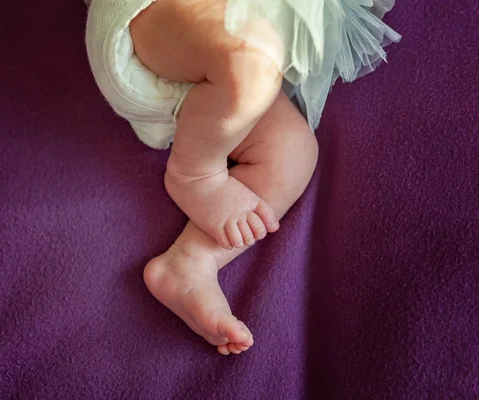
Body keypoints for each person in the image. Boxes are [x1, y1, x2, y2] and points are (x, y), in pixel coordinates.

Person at [85, 0, 399, 355]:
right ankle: (196, 173)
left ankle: (192, 263)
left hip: (206, 91)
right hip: (148, 18)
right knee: (251, 59)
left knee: (294, 151)